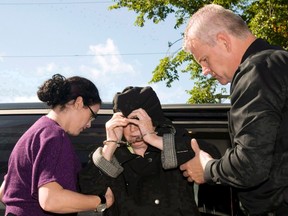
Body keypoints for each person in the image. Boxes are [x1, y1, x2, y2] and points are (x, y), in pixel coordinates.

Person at [180, 3, 288, 216]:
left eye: (204, 59)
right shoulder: (279, 62)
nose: (204, 70)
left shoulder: (256, 71)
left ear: (223, 41)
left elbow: (251, 165)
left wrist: (207, 168)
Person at [0, 74, 114, 216]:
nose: (89, 124)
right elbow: (51, 200)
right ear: (79, 102)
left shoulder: (33, 133)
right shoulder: (55, 136)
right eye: (92, 115)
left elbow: (5, 192)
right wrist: (101, 201)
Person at [78, 86, 200, 216]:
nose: (132, 131)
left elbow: (210, 159)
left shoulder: (177, 143)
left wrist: (153, 138)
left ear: (153, 121)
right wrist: (110, 144)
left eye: (138, 122)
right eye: (125, 124)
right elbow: (87, 190)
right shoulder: (110, 156)